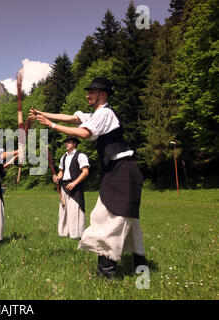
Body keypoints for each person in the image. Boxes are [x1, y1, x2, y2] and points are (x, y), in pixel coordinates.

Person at [31, 77, 146, 278]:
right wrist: (43, 114)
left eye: (91, 92)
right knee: (128, 222)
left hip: (121, 171)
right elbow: (72, 118)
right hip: (119, 171)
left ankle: (106, 273)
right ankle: (141, 273)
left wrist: (52, 126)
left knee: (106, 217)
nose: (87, 95)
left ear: (103, 95)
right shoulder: (96, 114)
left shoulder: (105, 113)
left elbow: (83, 133)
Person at [53, 136, 89, 239]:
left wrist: (74, 183)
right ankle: (64, 233)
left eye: (69, 142)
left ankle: (77, 234)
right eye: (66, 142)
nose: (66, 144)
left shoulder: (81, 156)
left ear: (74, 143)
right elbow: (61, 172)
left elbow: (85, 172)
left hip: (75, 187)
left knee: (75, 211)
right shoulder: (63, 157)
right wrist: (57, 178)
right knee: (64, 211)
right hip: (64, 186)